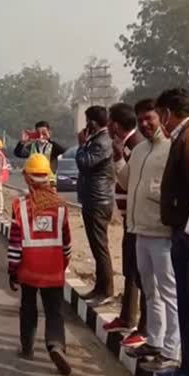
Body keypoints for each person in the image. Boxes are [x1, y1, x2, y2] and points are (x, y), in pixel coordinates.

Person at [114, 98, 178, 371]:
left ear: (161, 117)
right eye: (141, 120)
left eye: (149, 118)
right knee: (150, 291)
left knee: (169, 292)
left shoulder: (172, 150)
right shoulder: (139, 151)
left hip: (163, 233)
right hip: (139, 230)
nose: (145, 124)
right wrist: (118, 159)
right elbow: (126, 181)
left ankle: (172, 349)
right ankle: (154, 341)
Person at [8, 154, 73, 375]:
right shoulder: (61, 207)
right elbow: (67, 243)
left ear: (27, 178)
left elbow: (15, 244)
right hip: (54, 270)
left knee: (28, 309)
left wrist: (12, 270)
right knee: (54, 311)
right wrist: (62, 265)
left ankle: (27, 348)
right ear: (48, 177)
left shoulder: (19, 206)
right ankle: (56, 345)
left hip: (28, 270)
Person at [157, 88, 189, 376]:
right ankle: (187, 366)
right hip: (184, 232)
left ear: (167, 114)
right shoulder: (185, 138)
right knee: (186, 303)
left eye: (161, 116)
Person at [103, 102, 148, 348]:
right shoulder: (127, 145)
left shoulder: (135, 146)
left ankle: (144, 327)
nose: (107, 127)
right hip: (129, 220)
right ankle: (127, 317)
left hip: (139, 221)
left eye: (110, 123)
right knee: (130, 271)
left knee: (142, 276)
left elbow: (133, 182)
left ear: (116, 125)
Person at [76, 105, 116, 305]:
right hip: (93, 198)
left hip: (99, 200)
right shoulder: (97, 140)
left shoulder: (102, 141)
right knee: (95, 246)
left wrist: (81, 145)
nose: (85, 125)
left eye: (87, 120)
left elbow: (85, 163)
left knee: (100, 248)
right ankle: (99, 288)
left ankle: (106, 290)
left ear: (93, 121)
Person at [14, 121, 67, 185]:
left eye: (44, 133)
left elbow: (63, 150)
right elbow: (18, 153)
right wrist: (22, 142)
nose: (41, 135)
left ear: (49, 132)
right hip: (35, 181)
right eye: (38, 133)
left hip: (49, 182)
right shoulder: (32, 147)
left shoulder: (53, 146)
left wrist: (49, 139)